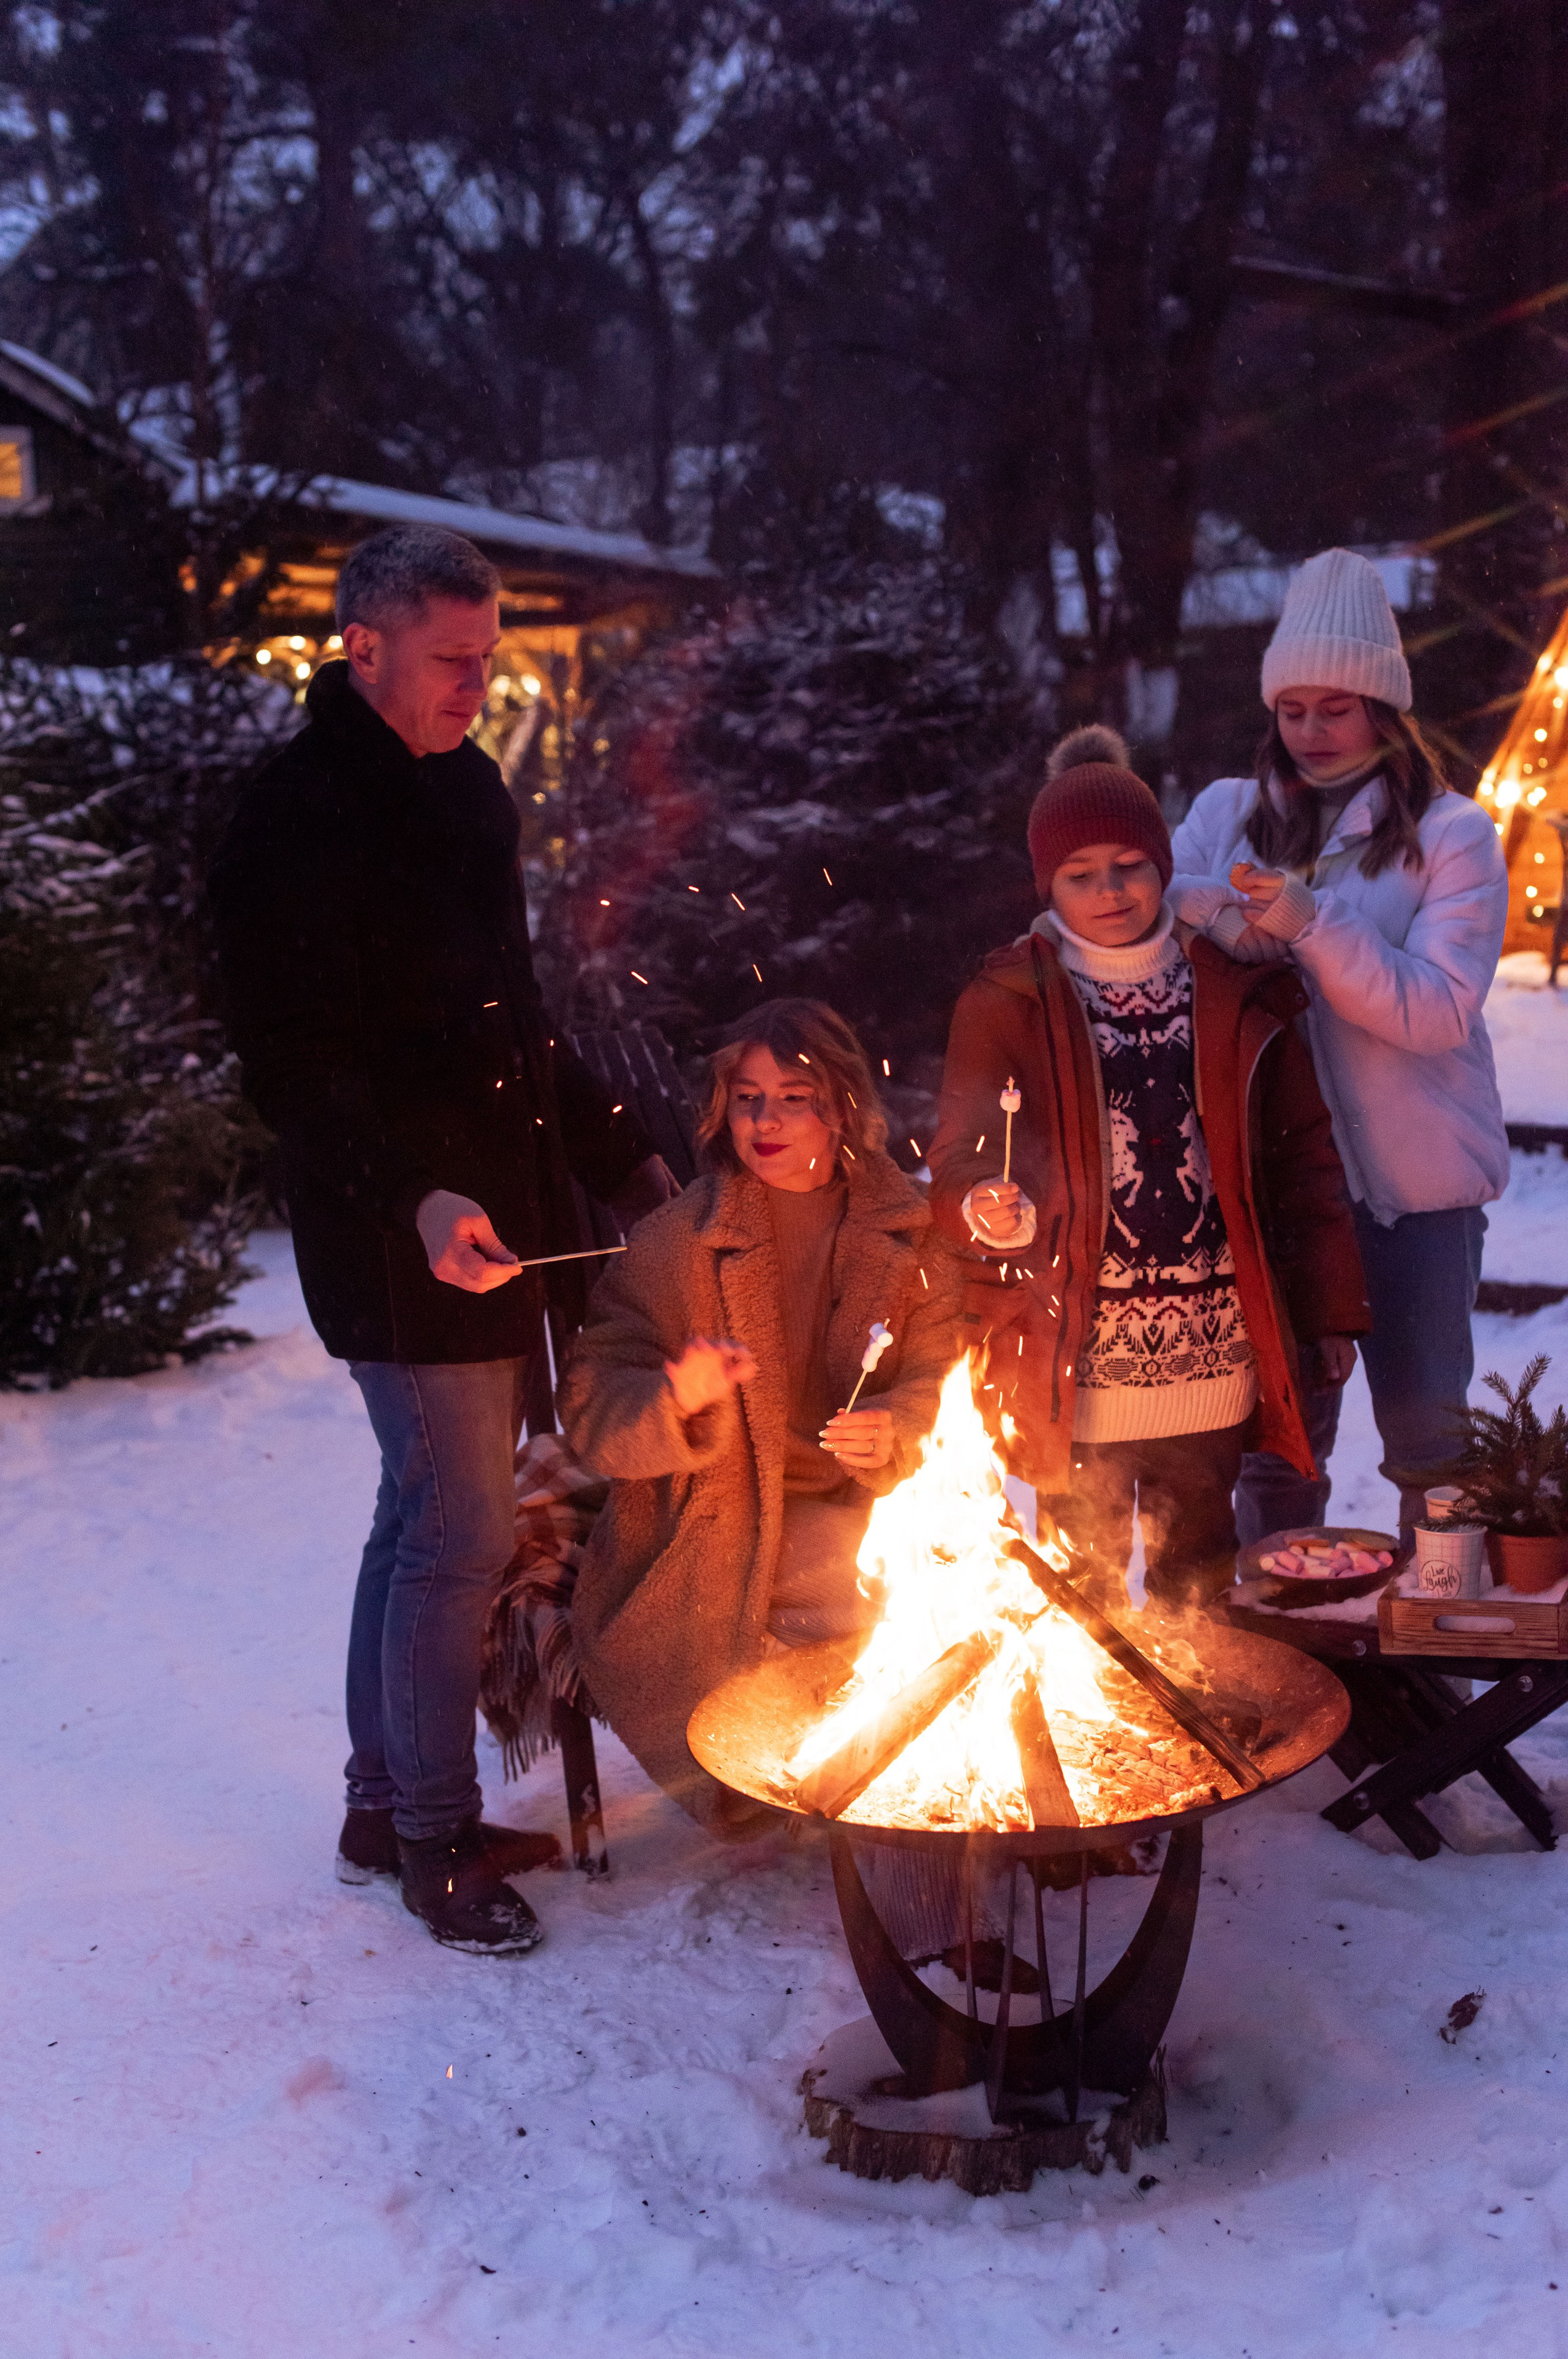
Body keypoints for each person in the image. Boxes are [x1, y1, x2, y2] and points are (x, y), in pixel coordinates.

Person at [211, 523, 672, 1957]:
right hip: (393, 1234)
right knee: (459, 1529)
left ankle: (378, 1803)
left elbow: (514, 1019)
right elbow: (290, 1061)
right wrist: (410, 1197)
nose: (483, 681)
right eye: (456, 658)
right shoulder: (291, 815)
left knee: (418, 1514)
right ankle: (431, 1836)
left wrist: (616, 1151)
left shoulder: (470, 792)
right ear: (366, 647)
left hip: (501, 1214)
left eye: (491, 655)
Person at [928, 727, 1369, 1610]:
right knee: (1081, 1588)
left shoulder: (1233, 985)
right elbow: (964, 1154)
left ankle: (1207, 1739)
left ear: (1163, 863)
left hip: (1210, 1349)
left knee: (1197, 1583)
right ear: (1047, 885)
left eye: (1129, 864)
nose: (1111, 891)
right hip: (1076, 1349)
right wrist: (986, 1202)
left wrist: (1326, 1312)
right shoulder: (1011, 999)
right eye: (1080, 875)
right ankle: (1097, 1739)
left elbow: (1301, 1161)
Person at [1167, 547, 1510, 1546]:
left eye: (1336, 708)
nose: (1311, 733)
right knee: (1282, 1447)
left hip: (1417, 1193)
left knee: (1430, 1444)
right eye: (1292, 709)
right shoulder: (1227, 812)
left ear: (1383, 710)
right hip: (1276, 1188)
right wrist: (1232, 921)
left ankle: (1440, 1664)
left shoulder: (1452, 838)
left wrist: (1317, 926)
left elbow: (1438, 1010)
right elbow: (1158, 910)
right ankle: (1290, 1671)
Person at [557, 1000, 964, 1833]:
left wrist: (899, 1424)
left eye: (793, 1097)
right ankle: (859, 1805)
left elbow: (942, 1372)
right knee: (898, 1617)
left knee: (981, 1603)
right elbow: (592, 1400)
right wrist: (675, 1398)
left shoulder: (911, 1231)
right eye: (747, 1098)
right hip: (718, 1517)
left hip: (868, 1507)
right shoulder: (680, 1241)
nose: (765, 1120)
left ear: (843, 1106)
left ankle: (914, 1795)